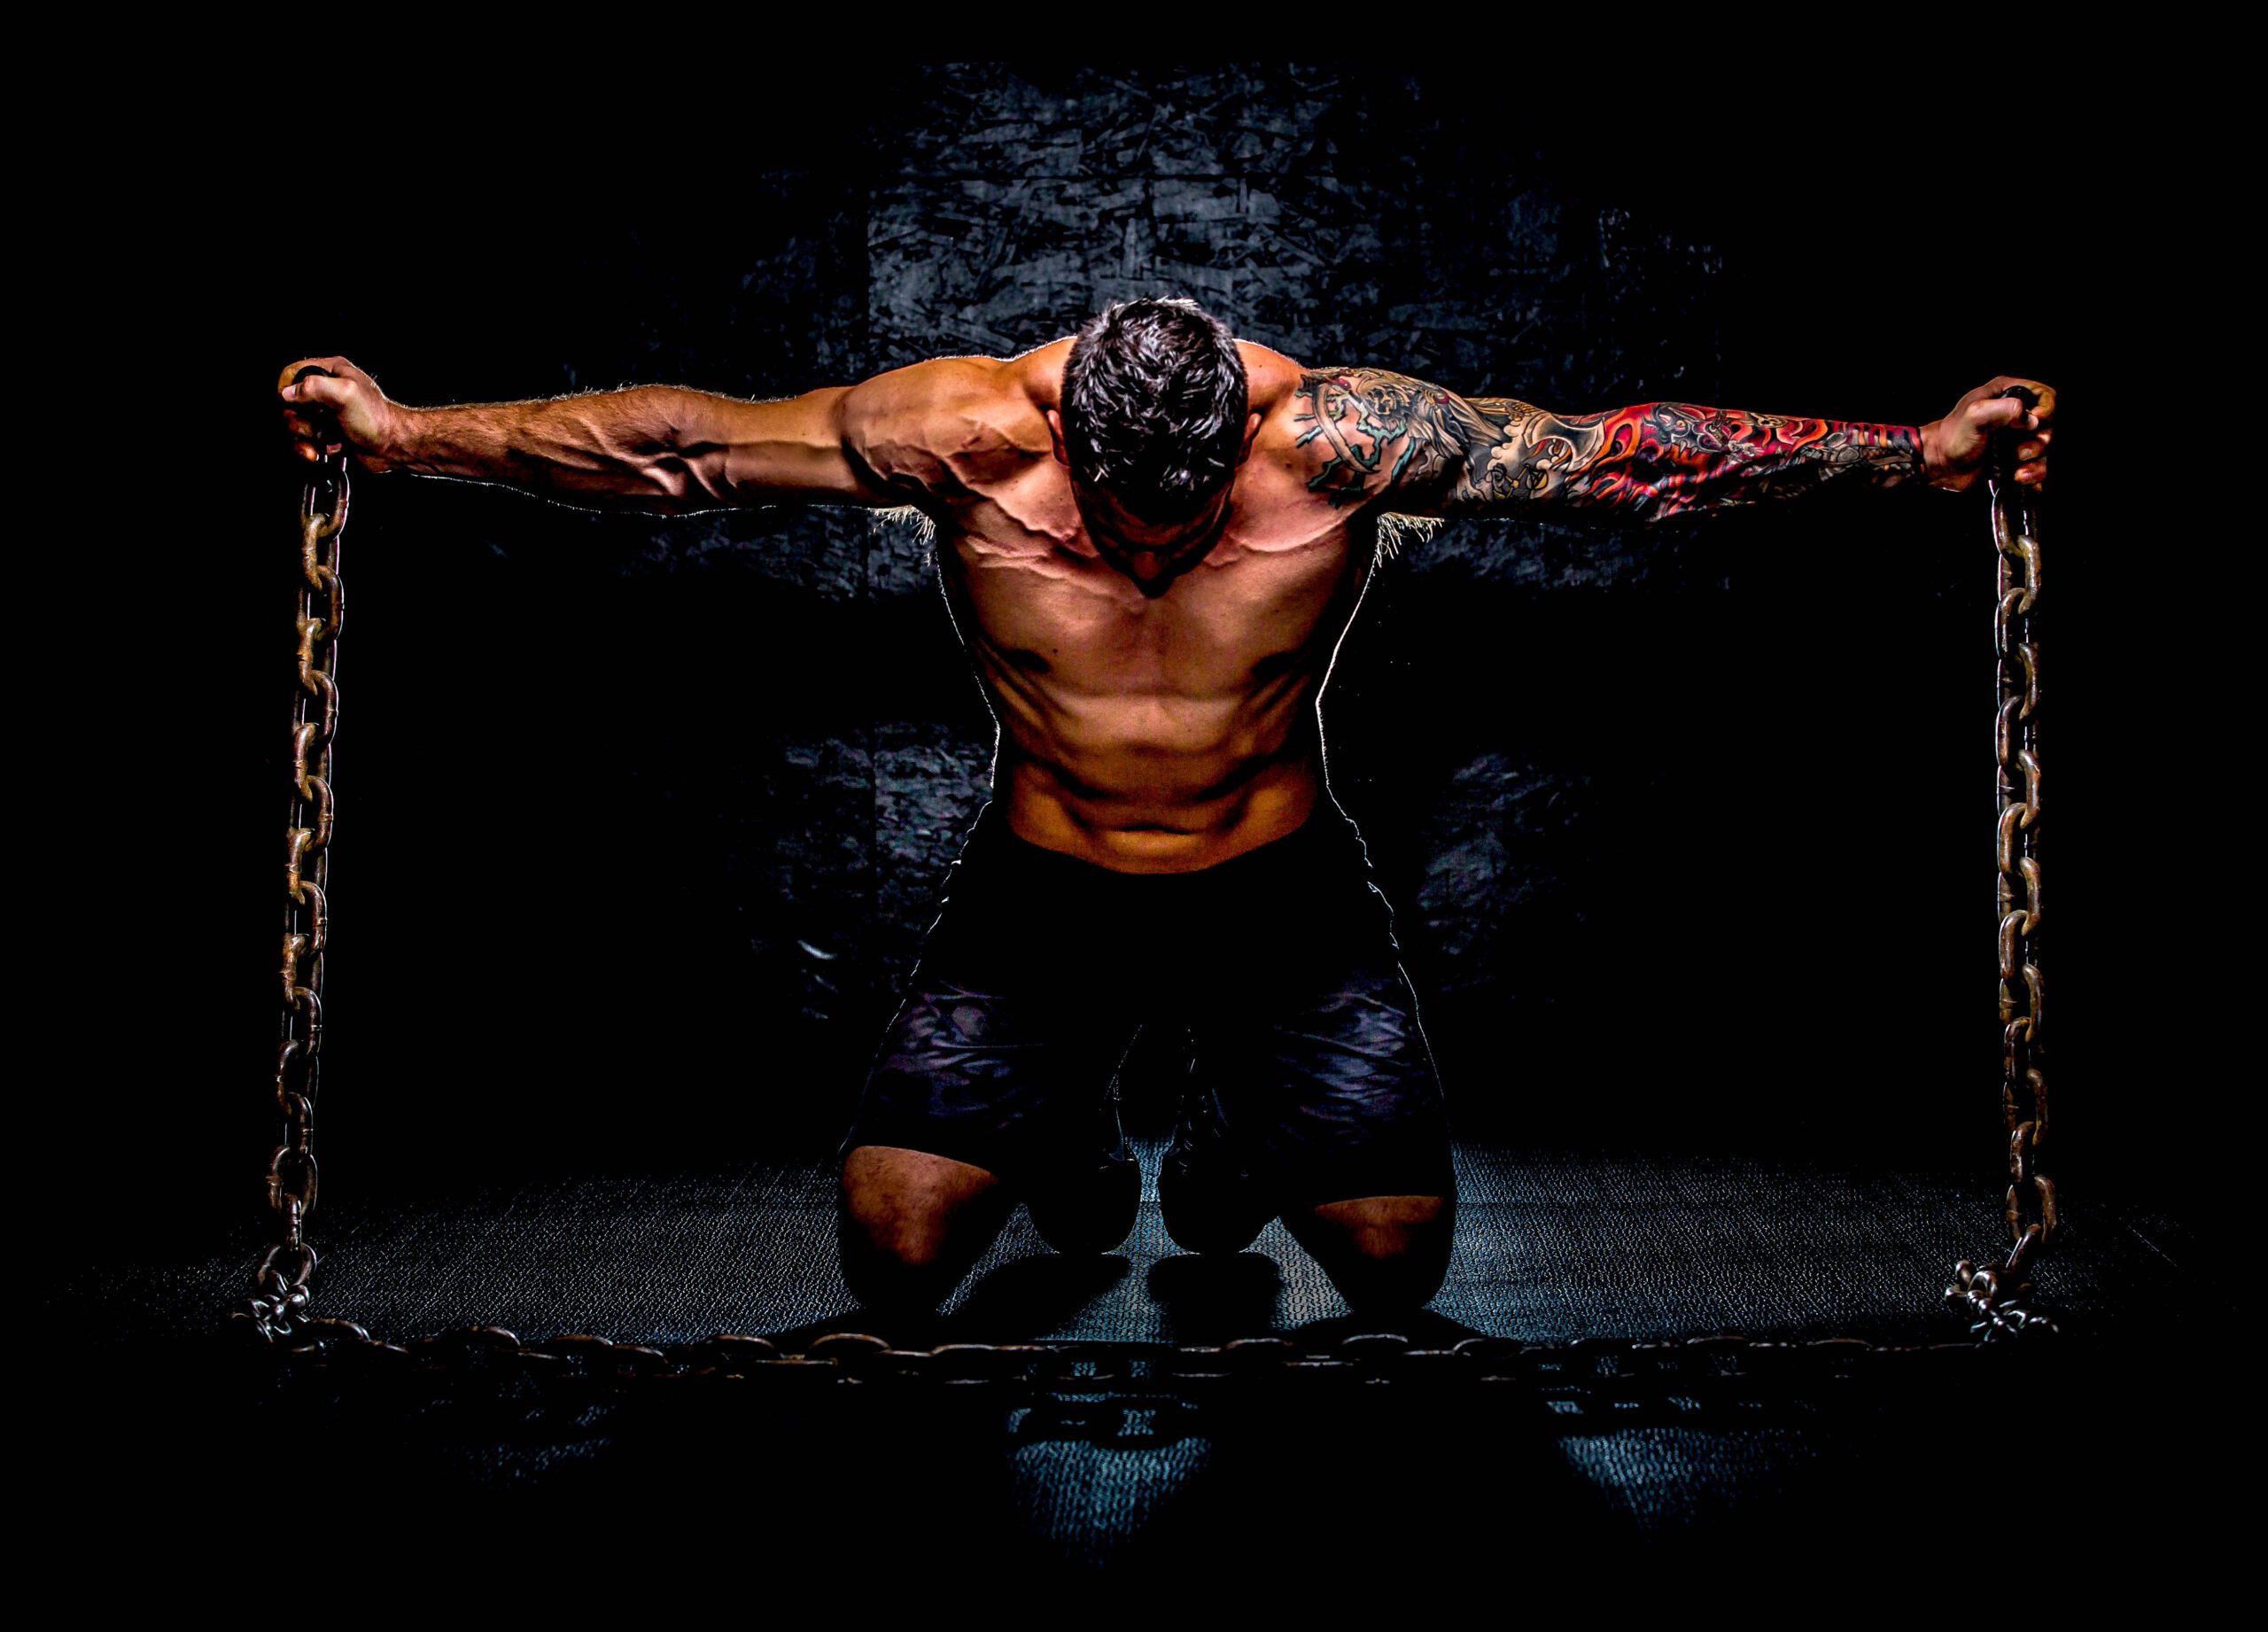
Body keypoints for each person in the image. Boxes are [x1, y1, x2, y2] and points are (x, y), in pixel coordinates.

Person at [278, 301, 2054, 1333]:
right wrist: (401, 430)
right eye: (1123, 514)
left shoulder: (1344, 440)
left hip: (1277, 890)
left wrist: (1918, 452)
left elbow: (1611, 458)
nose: (1150, 547)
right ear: (1067, 433)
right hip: (1041, 893)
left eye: (1187, 512)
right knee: (893, 1266)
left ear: (1242, 439)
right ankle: (1064, 1123)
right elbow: (676, 445)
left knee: (1391, 1273)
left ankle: (1224, 1121)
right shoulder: (960, 435)